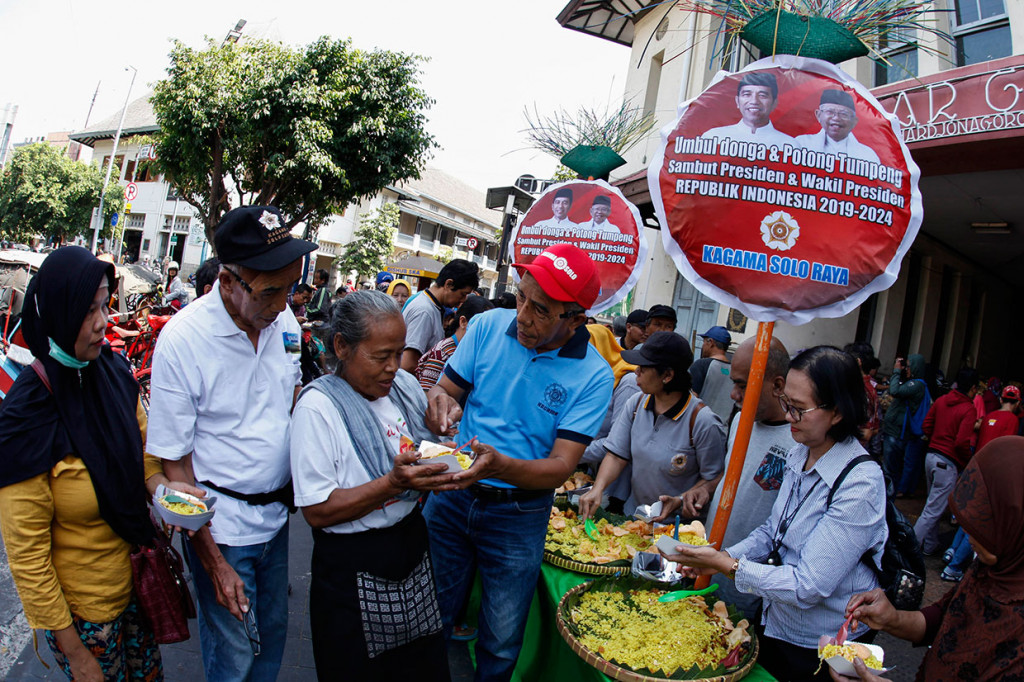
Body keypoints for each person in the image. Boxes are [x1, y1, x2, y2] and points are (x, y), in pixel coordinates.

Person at [0, 247, 201, 680]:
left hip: (136, 589)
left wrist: (163, 489)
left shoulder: (113, 373)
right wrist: (75, 653)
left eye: (104, 304)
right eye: (86, 309)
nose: (102, 321)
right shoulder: (26, 414)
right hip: (84, 616)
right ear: (57, 311)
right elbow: (27, 554)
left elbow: (145, 454)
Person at [423, 243, 613, 681]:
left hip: (520, 514)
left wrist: (498, 466)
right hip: (452, 496)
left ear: (576, 319)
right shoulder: (489, 326)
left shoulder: (594, 375)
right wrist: (440, 404)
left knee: (502, 637)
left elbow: (561, 467)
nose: (523, 315)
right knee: (428, 615)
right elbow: (446, 390)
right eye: (522, 296)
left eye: (541, 309)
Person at [146, 205, 316, 682]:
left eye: (290, 288)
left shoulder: (281, 324)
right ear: (227, 282)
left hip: (275, 521)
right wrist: (214, 563)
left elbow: (288, 400)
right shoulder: (183, 341)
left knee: (271, 643)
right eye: (270, 291)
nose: (284, 304)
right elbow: (175, 466)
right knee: (234, 656)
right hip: (221, 531)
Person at [663, 346, 886, 681]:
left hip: (819, 642)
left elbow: (809, 585)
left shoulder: (861, 483)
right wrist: (719, 555)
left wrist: (731, 566)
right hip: (775, 621)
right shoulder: (801, 452)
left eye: (797, 409)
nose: (789, 418)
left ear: (837, 412)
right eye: (786, 405)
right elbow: (773, 531)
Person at [290, 291, 459, 680]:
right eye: (380, 355)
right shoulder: (318, 409)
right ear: (341, 346)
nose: (392, 367)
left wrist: (446, 445)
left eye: (398, 353)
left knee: (419, 666)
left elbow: (423, 444)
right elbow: (317, 512)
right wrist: (391, 484)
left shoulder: (402, 385)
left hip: (409, 547)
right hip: (352, 564)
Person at [833, 436, 1024, 682]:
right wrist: (891, 617)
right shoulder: (993, 567)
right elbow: (944, 619)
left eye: (985, 524)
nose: (968, 535)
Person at [656, 336, 794, 621]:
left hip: (750, 588)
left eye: (743, 384)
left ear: (778, 385)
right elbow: (730, 477)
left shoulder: (799, 444)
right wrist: (701, 491)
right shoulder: (741, 420)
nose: (733, 394)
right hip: (706, 566)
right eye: (733, 382)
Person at [579, 331, 726, 520]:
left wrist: (680, 500)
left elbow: (714, 477)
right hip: (634, 516)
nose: (636, 372)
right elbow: (616, 455)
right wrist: (597, 489)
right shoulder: (636, 403)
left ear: (667, 375)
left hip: (674, 528)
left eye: (643, 368)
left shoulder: (702, 421)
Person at [914, 366, 979, 556]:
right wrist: (968, 461)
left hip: (931, 456)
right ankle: (909, 549)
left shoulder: (942, 400)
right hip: (947, 462)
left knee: (933, 505)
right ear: (973, 388)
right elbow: (961, 442)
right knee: (933, 510)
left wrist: (936, 439)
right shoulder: (968, 408)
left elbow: (926, 425)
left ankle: (930, 545)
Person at [579, 324, 640, 511]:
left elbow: (617, 442)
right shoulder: (601, 378)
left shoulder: (627, 382)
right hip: (595, 473)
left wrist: (573, 453)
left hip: (615, 487)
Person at [400, 259, 479, 373]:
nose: (463, 300)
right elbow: (408, 364)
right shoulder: (425, 312)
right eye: (463, 294)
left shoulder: (433, 307)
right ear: (448, 284)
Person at [415, 294, 494, 391]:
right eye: (480, 326)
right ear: (463, 322)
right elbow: (427, 395)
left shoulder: (470, 351)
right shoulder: (442, 354)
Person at [704, 72, 795, 147]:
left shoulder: (789, 145)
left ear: (774, 103)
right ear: (737, 101)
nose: (754, 101)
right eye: (747, 94)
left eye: (762, 95)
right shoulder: (714, 137)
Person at [882, 354, 927, 496]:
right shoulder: (911, 383)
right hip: (895, 430)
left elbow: (894, 391)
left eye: (908, 366)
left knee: (890, 470)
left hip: (897, 432)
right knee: (891, 468)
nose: (906, 369)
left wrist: (896, 371)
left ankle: (888, 500)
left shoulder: (917, 385)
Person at [794, 89, 880, 164]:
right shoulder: (801, 144)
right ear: (819, 115)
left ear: (854, 121)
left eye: (844, 114)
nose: (836, 118)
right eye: (830, 112)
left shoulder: (867, 155)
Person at [689, 325, 734, 424]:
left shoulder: (701, 365)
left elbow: (691, 400)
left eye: (704, 342)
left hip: (699, 427)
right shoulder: (734, 371)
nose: (703, 346)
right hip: (723, 431)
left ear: (711, 342)